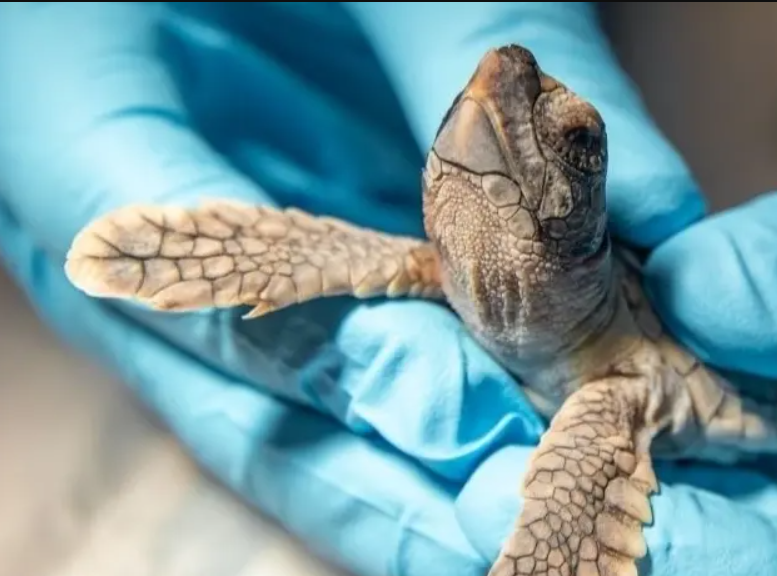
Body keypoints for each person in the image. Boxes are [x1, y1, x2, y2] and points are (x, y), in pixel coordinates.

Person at [1, 3, 775, 575]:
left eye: (572, 141)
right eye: (465, 99)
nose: (495, 77)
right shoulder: (431, 261)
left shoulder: (613, 389)